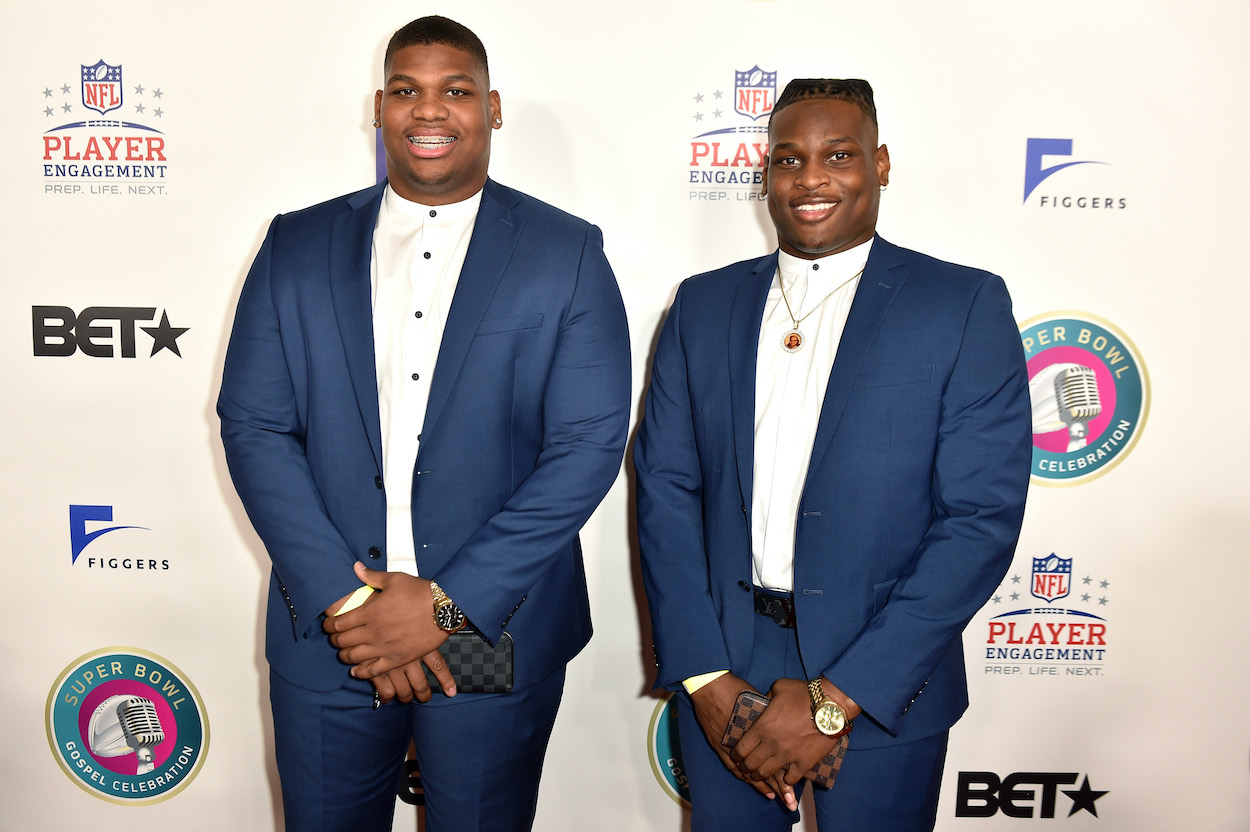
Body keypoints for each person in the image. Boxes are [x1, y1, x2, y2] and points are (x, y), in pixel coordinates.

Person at [218, 15, 630, 832]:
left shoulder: (567, 252)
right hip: (332, 631)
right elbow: (254, 425)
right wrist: (347, 605)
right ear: (379, 106)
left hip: (490, 623)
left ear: (494, 107)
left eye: (456, 91)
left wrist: (441, 608)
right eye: (407, 90)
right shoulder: (294, 245)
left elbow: (585, 448)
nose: (429, 111)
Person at [634, 78, 1031, 831]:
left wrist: (835, 698)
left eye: (838, 154)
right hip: (727, 673)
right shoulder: (701, 306)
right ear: (766, 173)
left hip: (882, 681)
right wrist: (704, 674)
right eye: (789, 159)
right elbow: (665, 491)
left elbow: (978, 520)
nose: (811, 177)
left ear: (879, 164)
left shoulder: (961, 305)